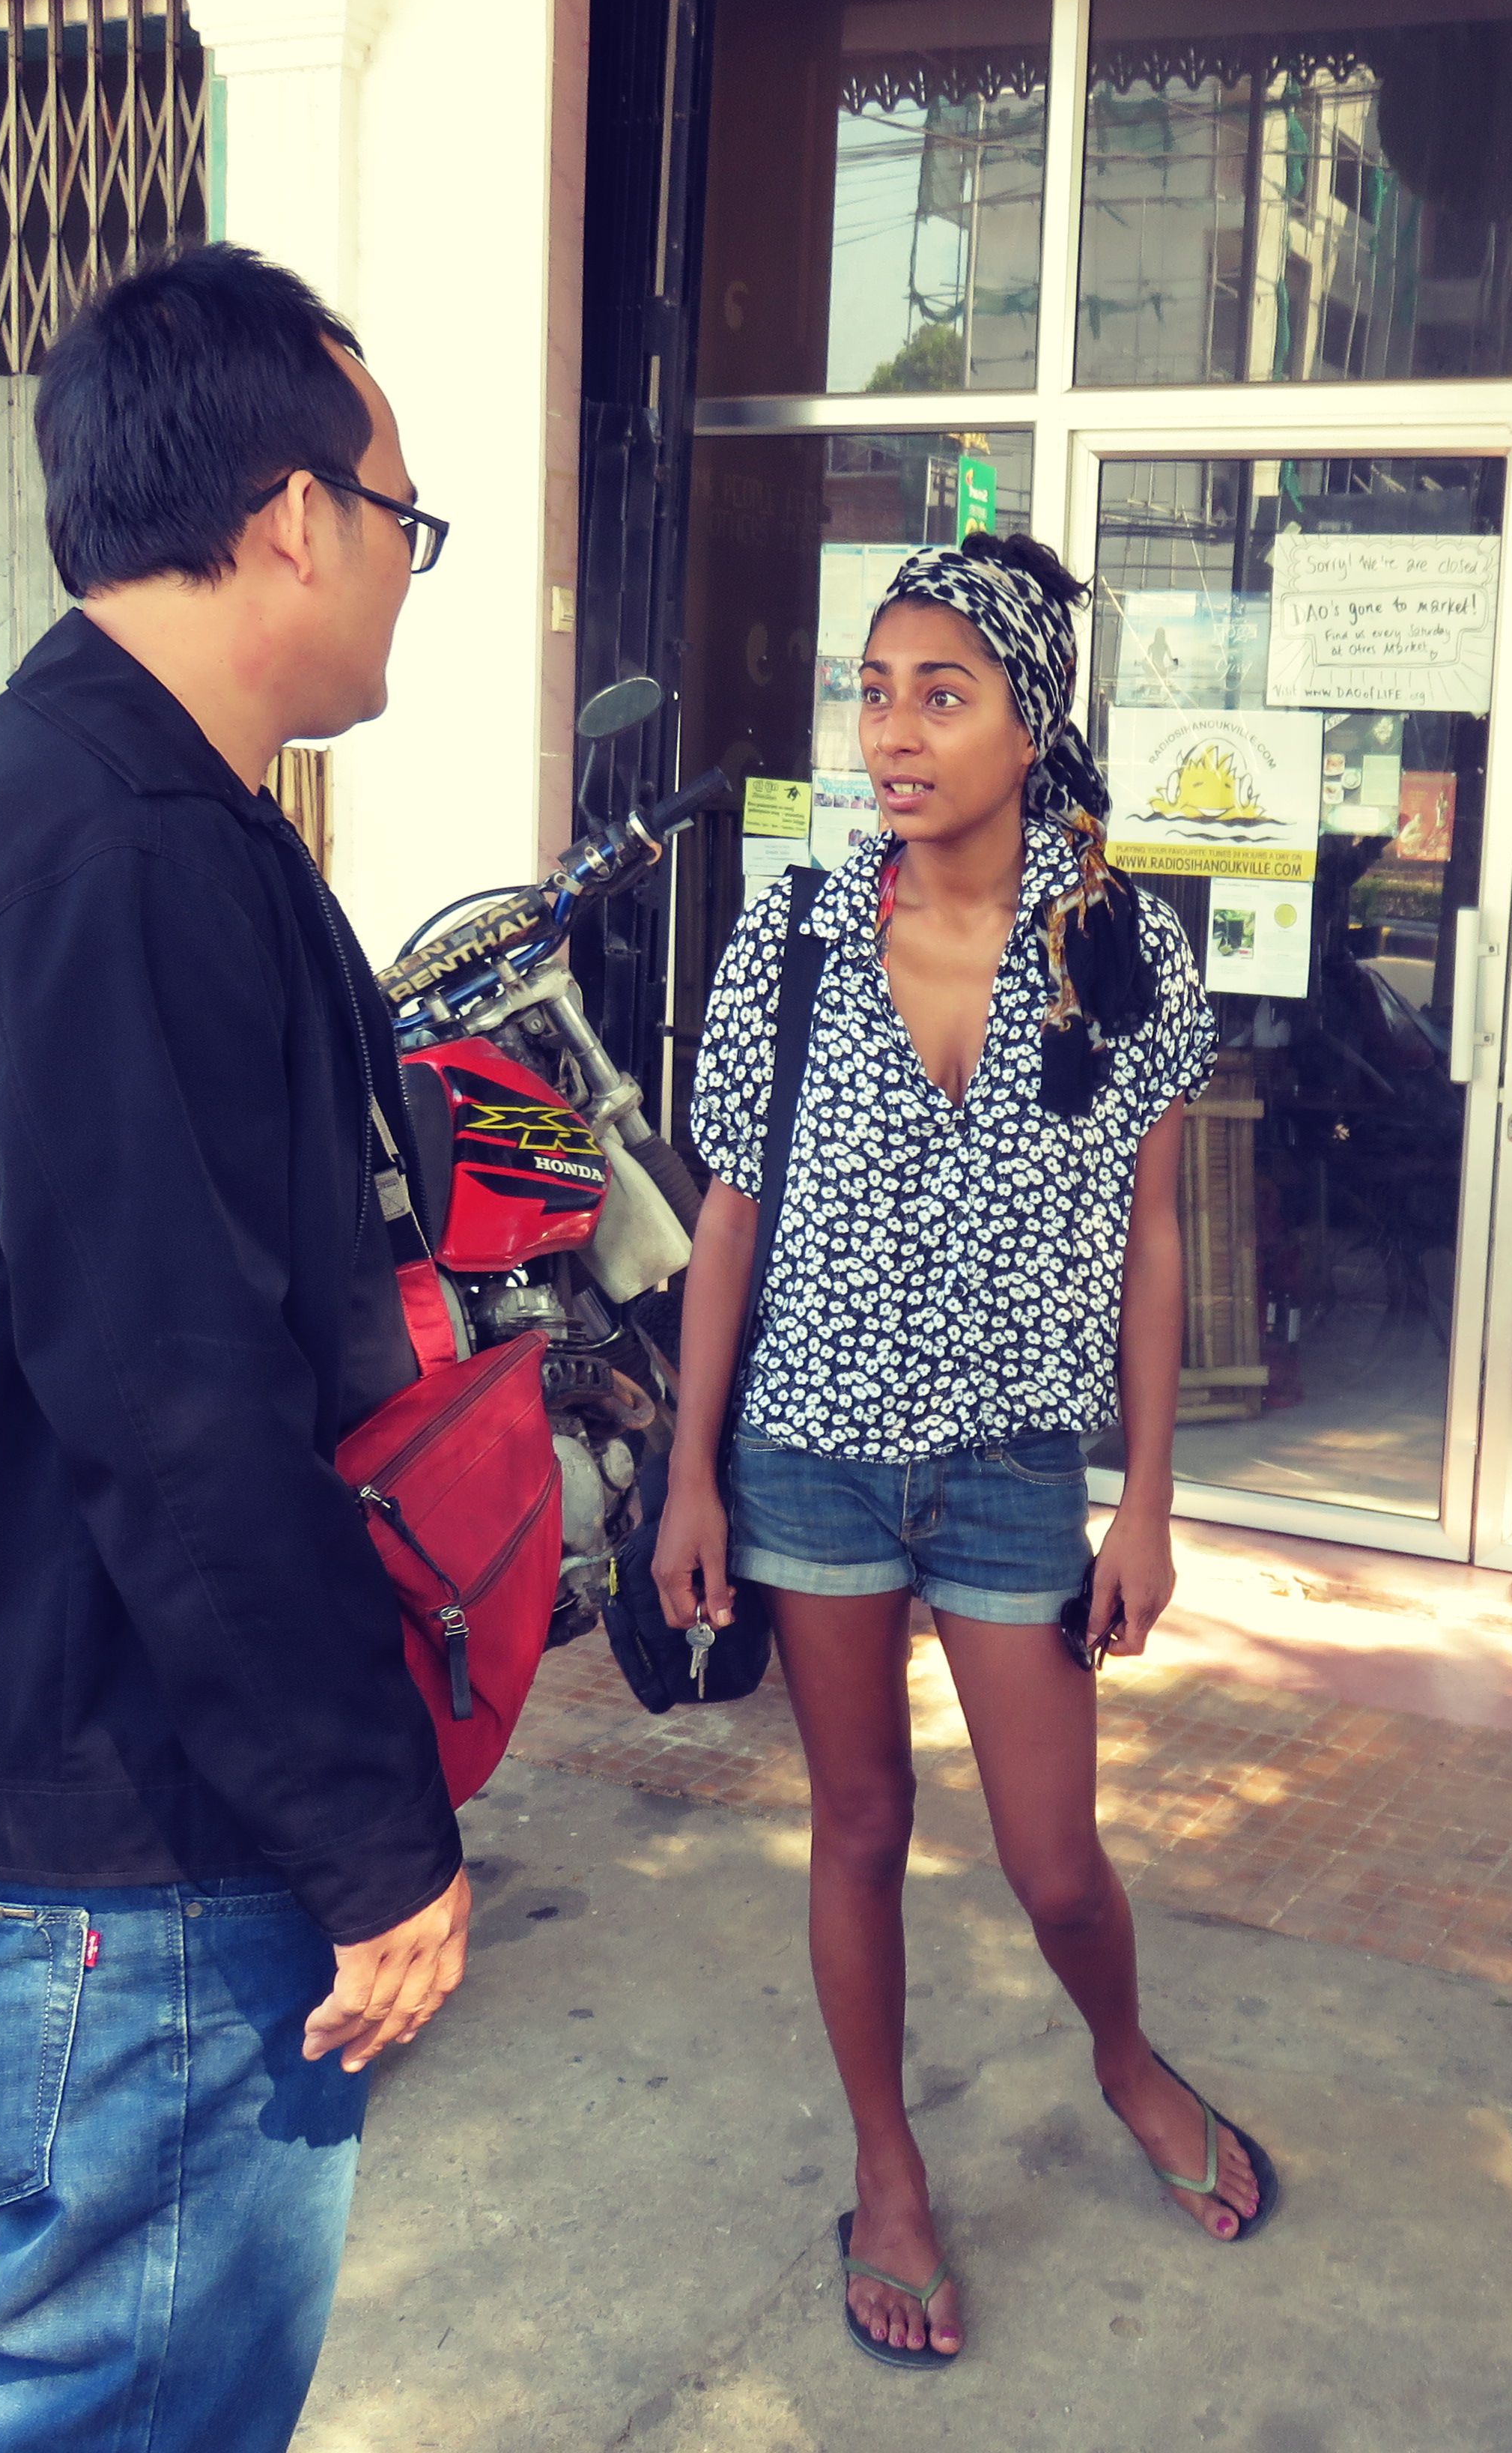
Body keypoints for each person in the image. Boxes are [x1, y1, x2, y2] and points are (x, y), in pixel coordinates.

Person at [0, 243, 471, 2452]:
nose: (404, 569)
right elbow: (180, 1407)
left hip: (102, 1810)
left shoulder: (139, 804)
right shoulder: (106, 850)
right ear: (295, 516)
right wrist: (372, 1839)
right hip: (137, 1847)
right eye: (400, 516)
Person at [649, 533, 1272, 2370]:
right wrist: (691, 1474)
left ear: (1030, 725)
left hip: (1013, 1466)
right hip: (810, 1454)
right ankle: (889, 2167)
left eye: (943, 694)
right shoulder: (792, 933)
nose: (895, 734)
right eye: (873, 693)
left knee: (1056, 1857)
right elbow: (728, 1221)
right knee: (858, 1824)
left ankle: (1126, 2058)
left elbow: (1151, 1240)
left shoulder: (1126, 950)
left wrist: (1146, 1500)